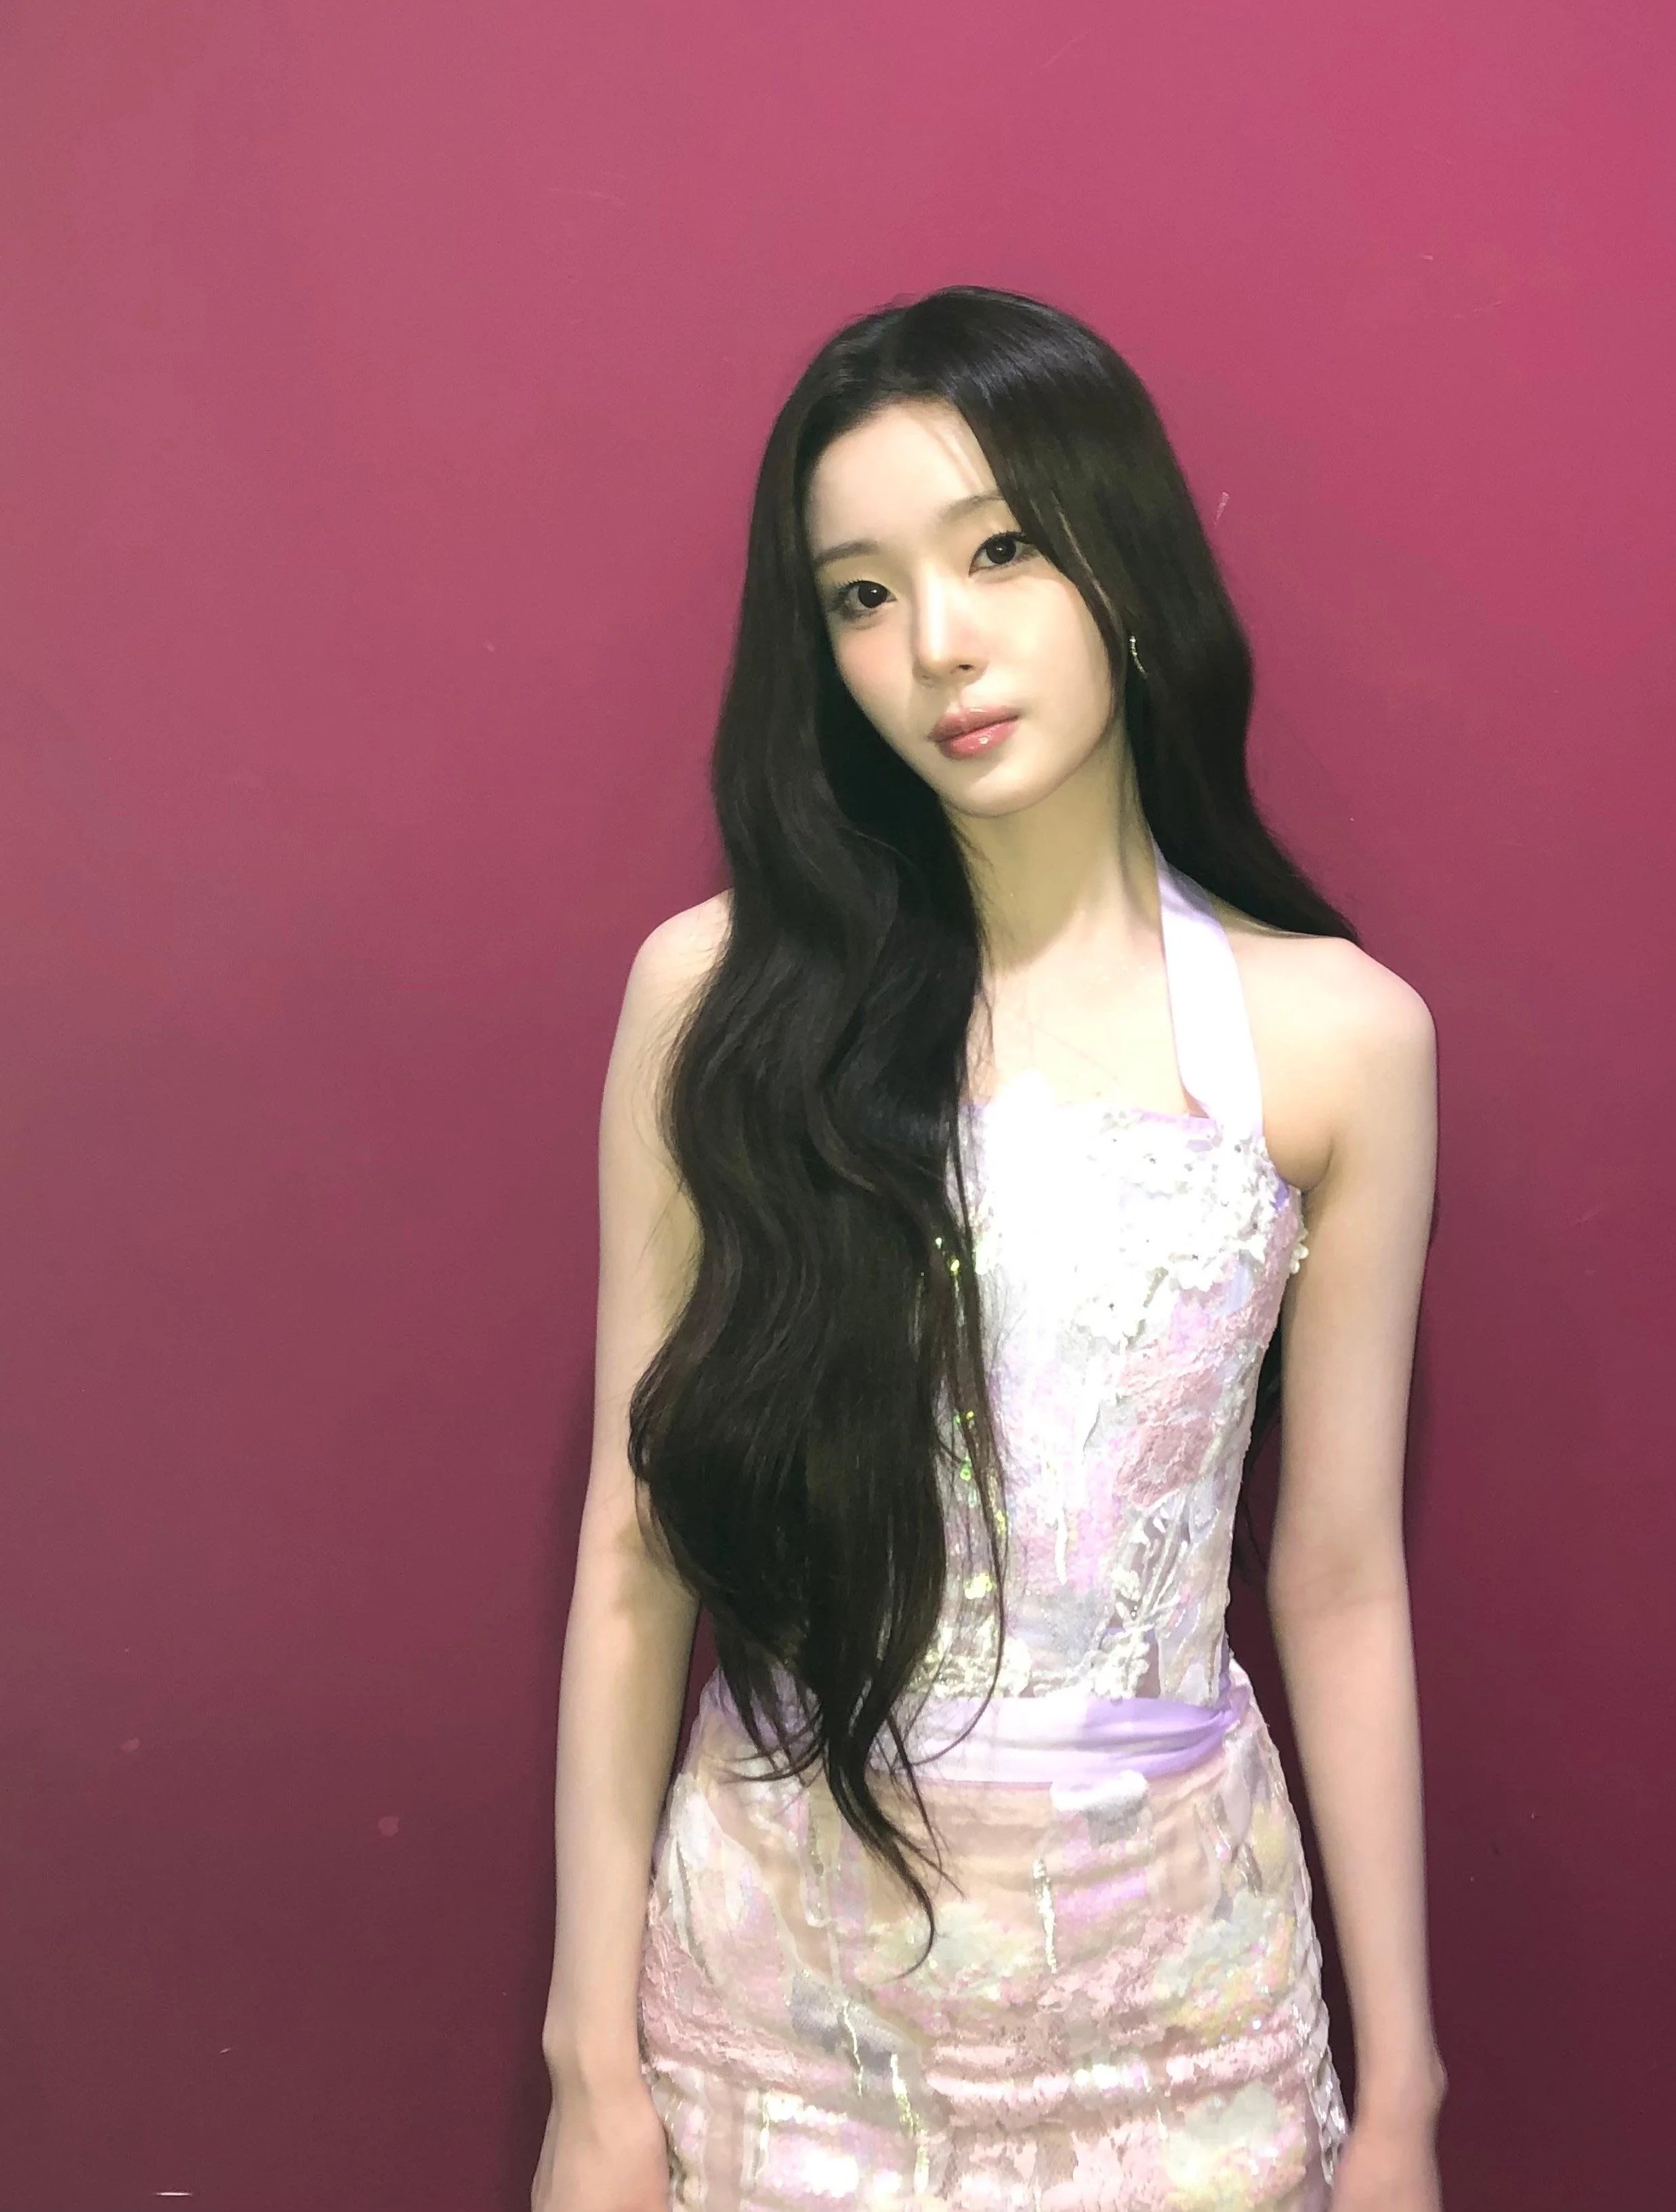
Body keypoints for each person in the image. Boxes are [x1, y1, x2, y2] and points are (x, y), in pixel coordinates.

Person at [532, 287, 1446, 2211]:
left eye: (999, 550)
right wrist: (590, 2069)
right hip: (778, 2013)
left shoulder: (1338, 1039)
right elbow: (635, 1546)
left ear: (1122, 551)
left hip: (1179, 2014)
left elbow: (1339, 1575)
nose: (937, 640)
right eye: (861, 596)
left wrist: (1402, 2096)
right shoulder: (718, 1002)